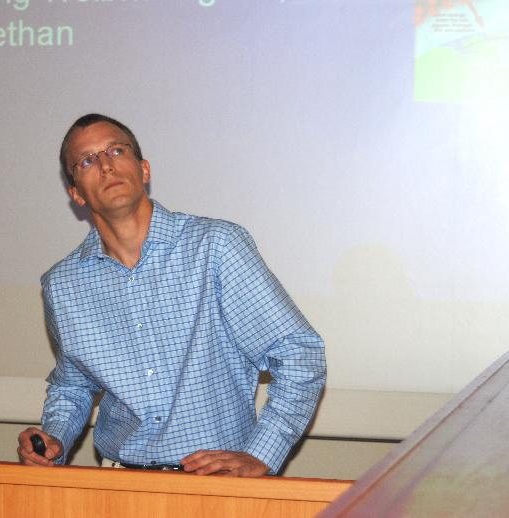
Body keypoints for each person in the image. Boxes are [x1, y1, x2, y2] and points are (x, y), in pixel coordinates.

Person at [18, 114, 325, 477]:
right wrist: (54, 437)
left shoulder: (215, 247)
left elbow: (298, 353)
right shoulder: (63, 285)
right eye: (87, 160)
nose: (105, 165)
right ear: (76, 193)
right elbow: (73, 386)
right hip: (119, 484)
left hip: (215, 484)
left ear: (144, 169)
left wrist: (262, 453)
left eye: (116, 151)